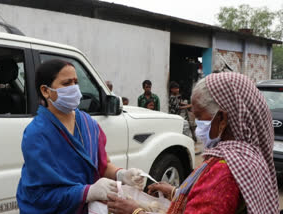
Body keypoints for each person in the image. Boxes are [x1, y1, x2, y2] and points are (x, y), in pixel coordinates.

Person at [108, 72, 279, 214]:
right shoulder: (248, 156)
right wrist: (177, 193)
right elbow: (212, 203)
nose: (197, 126)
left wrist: (136, 211)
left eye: (199, 117)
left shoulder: (224, 170)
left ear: (222, 119)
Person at [16, 59, 145, 214]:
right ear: (45, 91)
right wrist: (87, 192)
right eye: (66, 83)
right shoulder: (37, 134)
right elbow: (41, 194)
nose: (74, 88)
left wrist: (122, 174)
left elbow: (102, 165)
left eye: (75, 82)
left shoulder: (88, 123)